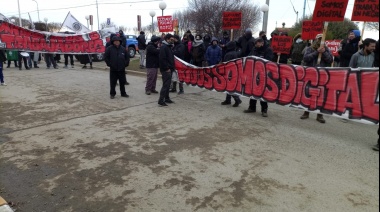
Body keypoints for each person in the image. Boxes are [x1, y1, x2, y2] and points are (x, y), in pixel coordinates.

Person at [300, 34, 333, 123]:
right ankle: (306, 112)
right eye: (319, 39)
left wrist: (324, 53)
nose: (320, 41)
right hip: (311, 74)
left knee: (321, 95)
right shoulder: (310, 49)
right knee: (308, 93)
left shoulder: (327, 49)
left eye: (322, 39)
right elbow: (305, 58)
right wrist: (316, 52)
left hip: (322, 75)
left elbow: (330, 60)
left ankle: (320, 115)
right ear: (316, 39)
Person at [244, 38, 274, 117]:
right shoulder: (254, 49)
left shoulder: (268, 50)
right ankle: (252, 107)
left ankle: (264, 109)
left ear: (261, 43)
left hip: (263, 73)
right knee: (253, 90)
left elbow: (269, 61)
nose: (256, 45)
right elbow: (249, 57)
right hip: (254, 73)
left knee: (262, 92)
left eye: (257, 43)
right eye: (255, 44)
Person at [221, 41, 242, 107]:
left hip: (229, 72)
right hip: (235, 71)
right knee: (229, 86)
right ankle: (228, 99)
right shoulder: (236, 53)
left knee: (229, 86)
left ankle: (237, 99)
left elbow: (226, 64)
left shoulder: (229, 54)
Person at [158, 34, 175, 107]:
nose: (172, 40)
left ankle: (167, 98)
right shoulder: (164, 47)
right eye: (171, 39)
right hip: (166, 70)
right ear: (167, 39)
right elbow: (162, 59)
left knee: (168, 85)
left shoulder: (169, 47)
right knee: (165, 85)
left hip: (169, 68)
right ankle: (161, 100)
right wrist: (166, 68)